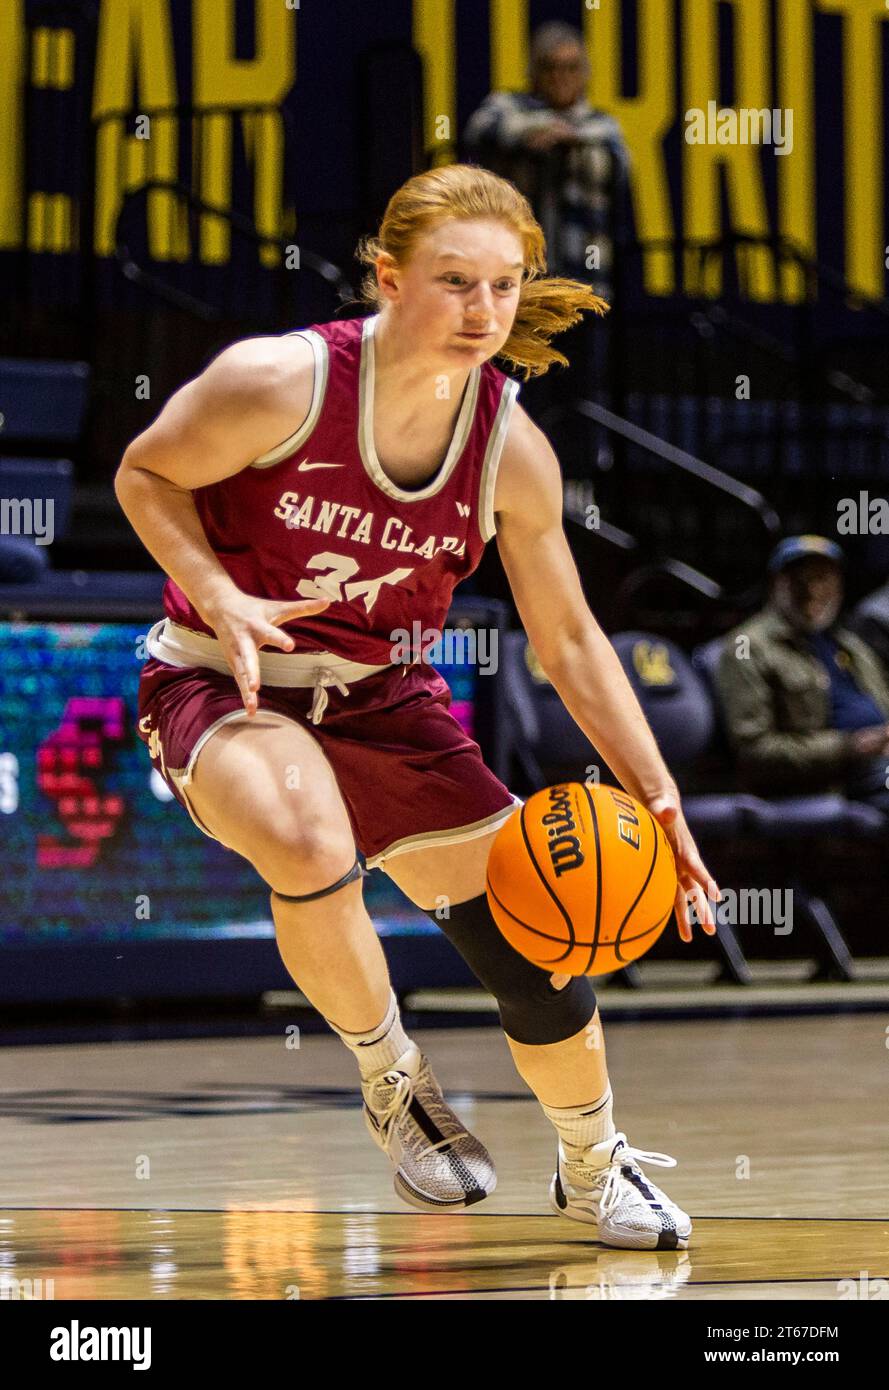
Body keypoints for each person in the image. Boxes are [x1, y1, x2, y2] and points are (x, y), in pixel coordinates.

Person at [115, 163, 717, 1251]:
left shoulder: (508, 448)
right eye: (453, 282)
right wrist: (220, 593)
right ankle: (394, 1080)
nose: (482, 312)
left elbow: (570, 639)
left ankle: (592, 1164)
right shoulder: (276, 383)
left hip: (385, 700)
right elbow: (144, 475)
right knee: (308, 833)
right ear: (386, 278)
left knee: (538, 933)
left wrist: (661, 803)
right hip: (224, 674)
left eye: (502, 286)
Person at [716, 536, 889, 804]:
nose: (812, 590)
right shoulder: (747, 647)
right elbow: (754, 753)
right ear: (776, 585)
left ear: (840, 587)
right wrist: (849, 747)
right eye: (800, 579)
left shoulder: (851, 645)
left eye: (823, 578)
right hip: (831, 778)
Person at [463, 22, 629, 296]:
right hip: (517, 272)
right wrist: (530, 134)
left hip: (585, 272)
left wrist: (568, 141)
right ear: (534, 72)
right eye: (550, 67)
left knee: (586, 334)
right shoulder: (508, 106)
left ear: (585, 73)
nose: (560, 76)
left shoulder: (601, 123)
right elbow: (479, 129)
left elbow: (617, 169)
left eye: (571, 67)